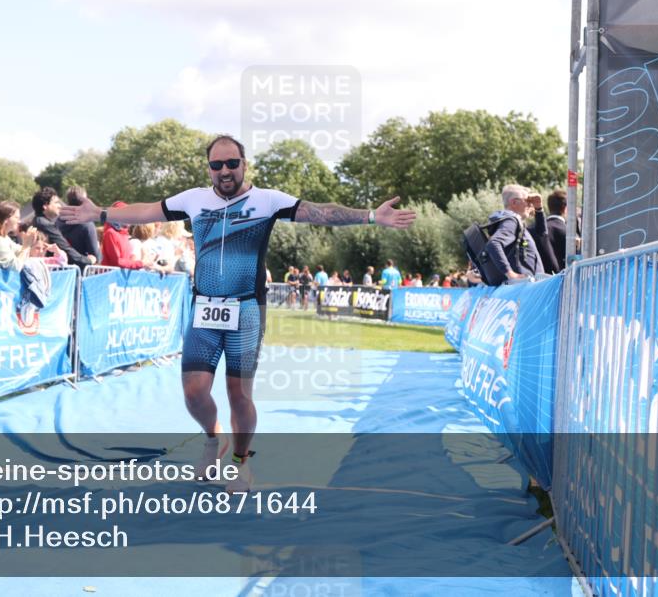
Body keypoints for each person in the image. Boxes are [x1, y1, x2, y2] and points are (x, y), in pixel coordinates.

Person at [60, 134, 415, 492]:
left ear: (244, 164)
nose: (225, 171)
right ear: (209, 169)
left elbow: (320, 212)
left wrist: (371, 216)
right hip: (204, 308)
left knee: (238, 394)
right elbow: (146, 209)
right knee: (194, 393)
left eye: (232, 163)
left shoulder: (267, 201)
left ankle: (241, 462)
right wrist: (100, 214)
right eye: (217, 165)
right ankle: (214, 439)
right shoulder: (194, 199)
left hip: (246, 308)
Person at [485, 184, 546, 281]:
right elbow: (494, 243)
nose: (530, 205)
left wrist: (538, 208)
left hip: (524, 287)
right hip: (524, 287)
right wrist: (511, 274)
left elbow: (541, 233)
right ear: (513, 202)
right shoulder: (511, 220)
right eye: (527, 201)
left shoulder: (514, 222)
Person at [31, 187, 96, 269]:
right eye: (56, 202)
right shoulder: (45, 224)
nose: (59, 206)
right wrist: (86, 261)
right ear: (45, 206)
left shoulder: (38, 221)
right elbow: (65, 248)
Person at [0, 200, 37, 270]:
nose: (19, 221)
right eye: (17, 218)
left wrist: (31, 243)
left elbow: (19, 251)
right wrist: (26, 246)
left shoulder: (4, 238)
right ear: (6, 219)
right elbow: (16, 267)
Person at [60, 186, 103, 263]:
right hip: (82, 271)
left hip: (60, 270)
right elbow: (96, 256)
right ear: (84, 200)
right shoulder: (87, 224)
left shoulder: (57, 222)